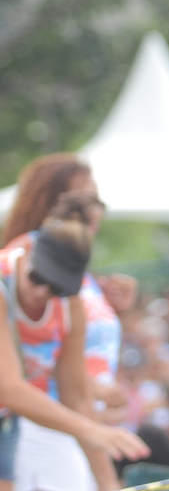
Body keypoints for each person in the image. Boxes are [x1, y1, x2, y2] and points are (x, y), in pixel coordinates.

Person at [0, 194, 149, 491]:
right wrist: (90, 429)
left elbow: (75, 397)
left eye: (58, 286)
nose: (43, 293)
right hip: (17, 414)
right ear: (28, 252)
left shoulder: (72, 307)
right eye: (39, 279)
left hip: (21, 425)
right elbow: (9, 386)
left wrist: (107, 483)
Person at [1, 153, 137, 454]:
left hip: (79, 422)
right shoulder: (28, 260)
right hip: (43, 425)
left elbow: (83, 345)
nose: (95, 210)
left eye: (96, 200)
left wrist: (118, 314)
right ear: (53, 201)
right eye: (85, 198)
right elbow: (28, 355)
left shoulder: (71, 265)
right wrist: (90, 397)